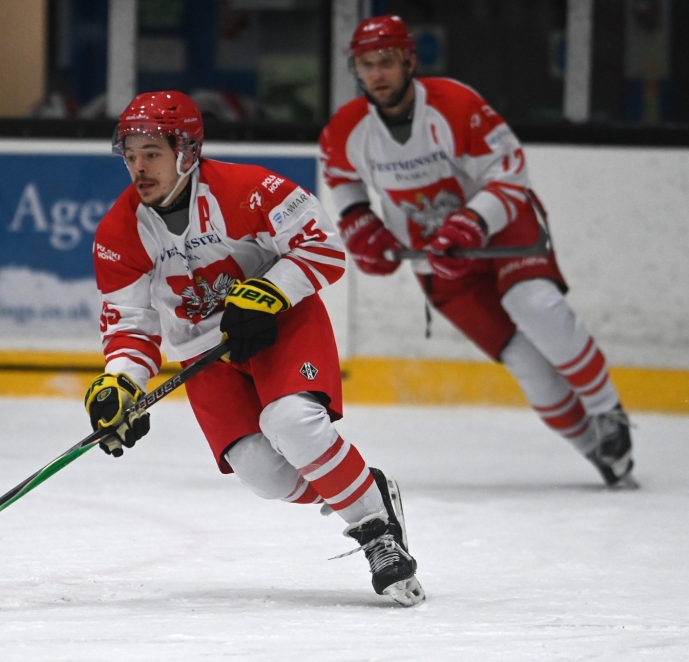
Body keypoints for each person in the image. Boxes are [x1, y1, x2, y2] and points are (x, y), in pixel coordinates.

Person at [84, 90, 425, 606]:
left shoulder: (247, 189)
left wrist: (269, 291)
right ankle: (363, 486)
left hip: (280, 324)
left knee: (292, 422)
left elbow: (324, 246)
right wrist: (121, 381)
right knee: (263, 475)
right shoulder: (119, 231)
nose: (138, 167)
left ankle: (375, 528)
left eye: (151, 153)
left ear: (187, 151)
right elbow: (131, 325)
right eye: (130, 155)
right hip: (204, 354)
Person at [319, 15, 635, 487]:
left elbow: (509, 170)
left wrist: (472, 221)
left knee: (534, 304)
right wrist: (360, 222)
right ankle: (601, 453)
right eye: (366, 64)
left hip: (503, 228)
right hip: (438, 256)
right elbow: (340, 175)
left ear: (409, 61)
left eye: (387, 60)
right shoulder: (347, 129)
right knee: (525, 362)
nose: (377, 73)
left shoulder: (454, 104)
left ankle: (608, 411)